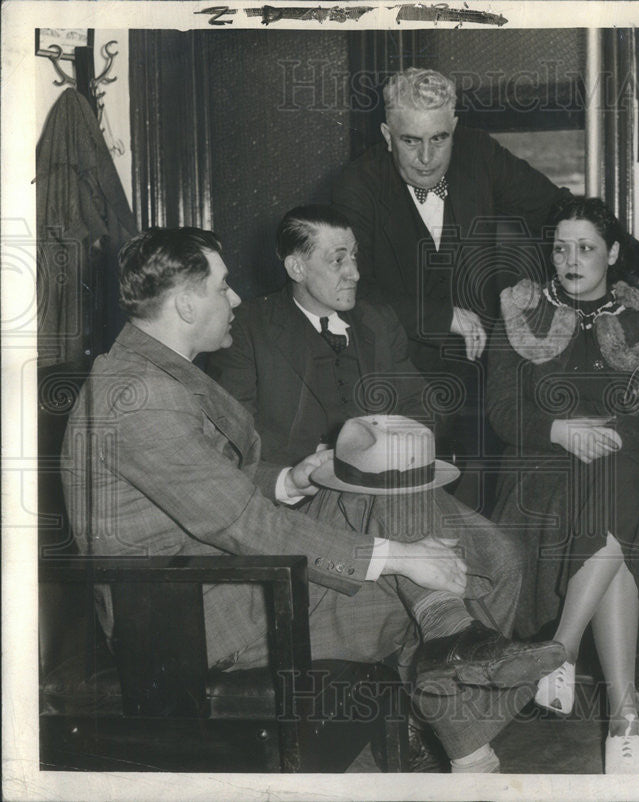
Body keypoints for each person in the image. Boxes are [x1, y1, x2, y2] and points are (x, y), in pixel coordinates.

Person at [61, 227, 565, 774]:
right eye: (223, 288)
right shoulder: (141, 399)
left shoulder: (156, 371)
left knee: (489, 556)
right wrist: (399, 556)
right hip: (185, 618)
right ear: (184, 304)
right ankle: (461, 685)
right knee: (466, 560)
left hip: (220, 581)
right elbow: (242, 525)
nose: (235, 300)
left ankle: (460, 692)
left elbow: (204, 489)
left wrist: (288, 482)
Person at [205, 205, 538, 769]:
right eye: (337, 259)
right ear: (294, 265)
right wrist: (311, 468)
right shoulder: (253, 332)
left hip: (394, 502)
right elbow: (236, 458)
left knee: (499, 558)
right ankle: (458, 686)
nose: (354, 271)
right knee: (398, 515)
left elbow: (421, 413)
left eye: (355, 256)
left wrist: (383, 443)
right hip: (305, 513)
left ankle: (425, 717)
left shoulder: (377, 323)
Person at [487, 197, 639, 774]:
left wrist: (614, 434)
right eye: (561, 248)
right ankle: (624, 724)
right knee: (614, 520)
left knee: (616, 481)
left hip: (623, 460)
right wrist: (558, 430)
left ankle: (560, 650)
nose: (571, 260)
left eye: (586, 248)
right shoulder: (523, 312)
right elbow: (499, 411)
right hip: (541, 468)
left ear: (613, 253)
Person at [329, 67, 571, 509]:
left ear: (454, 128)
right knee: (412, 498)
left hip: (481, 369)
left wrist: (614, 251)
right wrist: (442, 316)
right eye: (409, 141)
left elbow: (556, 208)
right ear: (386, 134)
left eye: (439, 139)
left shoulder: (478, 152)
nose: (426, 158)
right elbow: (348, 292)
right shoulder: (357, 187)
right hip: (395, 367)